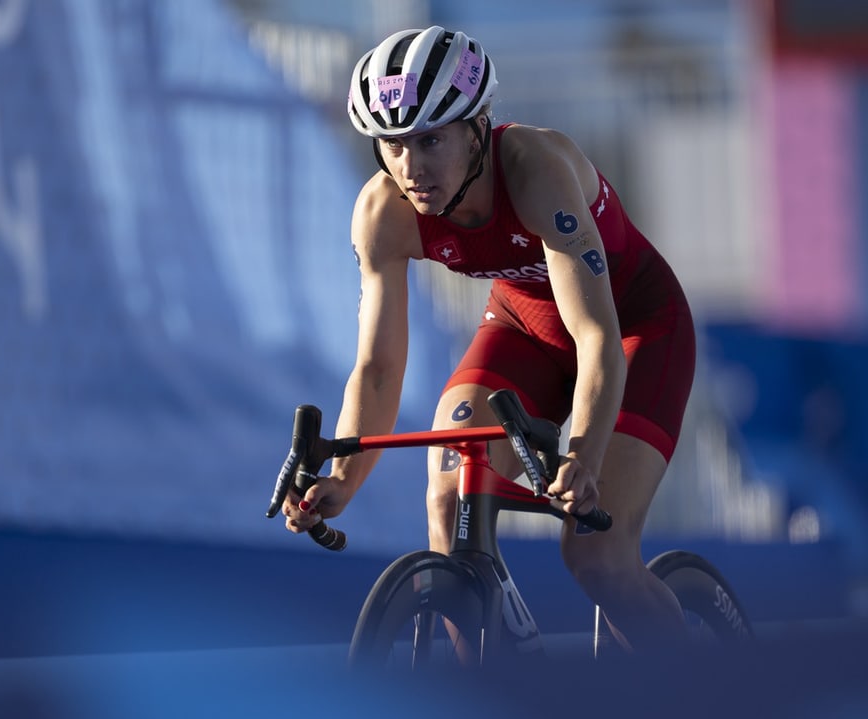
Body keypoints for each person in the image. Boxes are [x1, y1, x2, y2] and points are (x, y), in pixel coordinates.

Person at [282, 25, 696, 653]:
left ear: (477, 128)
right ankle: (488, 686)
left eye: (430, 141)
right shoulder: (383, 213)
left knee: (597, 557)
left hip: (634, 327)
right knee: (449, 497)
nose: (411, 169)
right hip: (522, 325)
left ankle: (705, 690)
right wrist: (342, 478)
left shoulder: (538, 172)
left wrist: (581, 454)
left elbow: (596, 337)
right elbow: (377, 367)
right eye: (392, 145)